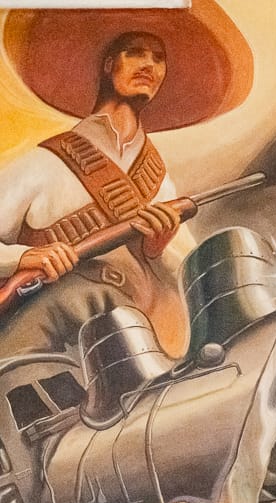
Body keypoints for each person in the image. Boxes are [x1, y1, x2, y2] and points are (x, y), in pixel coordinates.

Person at [0, 2, 252, 357]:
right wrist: (24, 258)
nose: (148, 64)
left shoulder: (157, 180)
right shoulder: (43, 164)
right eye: (134, 52)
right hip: (57, 344)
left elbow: (188, 275)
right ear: (108, 65)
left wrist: (155, 250)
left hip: (138, 345)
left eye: (158, 58)